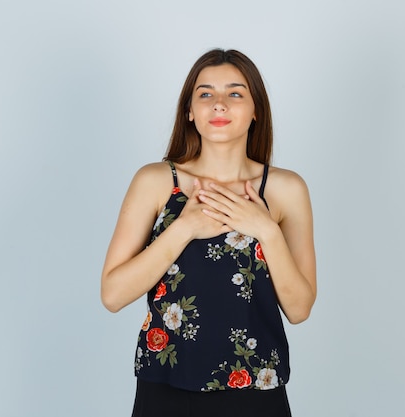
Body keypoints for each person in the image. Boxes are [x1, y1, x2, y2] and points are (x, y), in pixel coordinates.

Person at [101, 48, 316, 417]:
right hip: (166, 387)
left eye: (235, 93)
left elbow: (299, 310)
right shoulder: (155, 181)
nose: (219, 104)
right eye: (205, 94)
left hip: (256, 391)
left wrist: (265, 228)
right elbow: (113, 295)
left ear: (255, 111)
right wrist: (184, 227)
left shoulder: (285, 190)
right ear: (190, 110)